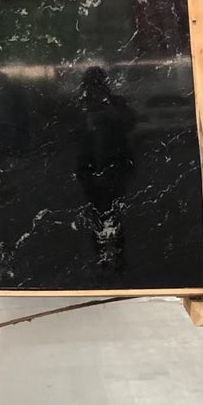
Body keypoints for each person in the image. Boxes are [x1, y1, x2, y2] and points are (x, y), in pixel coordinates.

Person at [74, 66, 136, 270]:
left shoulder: (116, 102)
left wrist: (112, 113)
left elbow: (129, 123)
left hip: (114, 163)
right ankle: (103, 258)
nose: (95, 89)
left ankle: (118, 257)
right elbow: (70, 133)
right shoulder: (81, 105)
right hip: (90, 165)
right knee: (98, 213)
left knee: (114, 212)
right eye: (91, 84)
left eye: (97, 84)